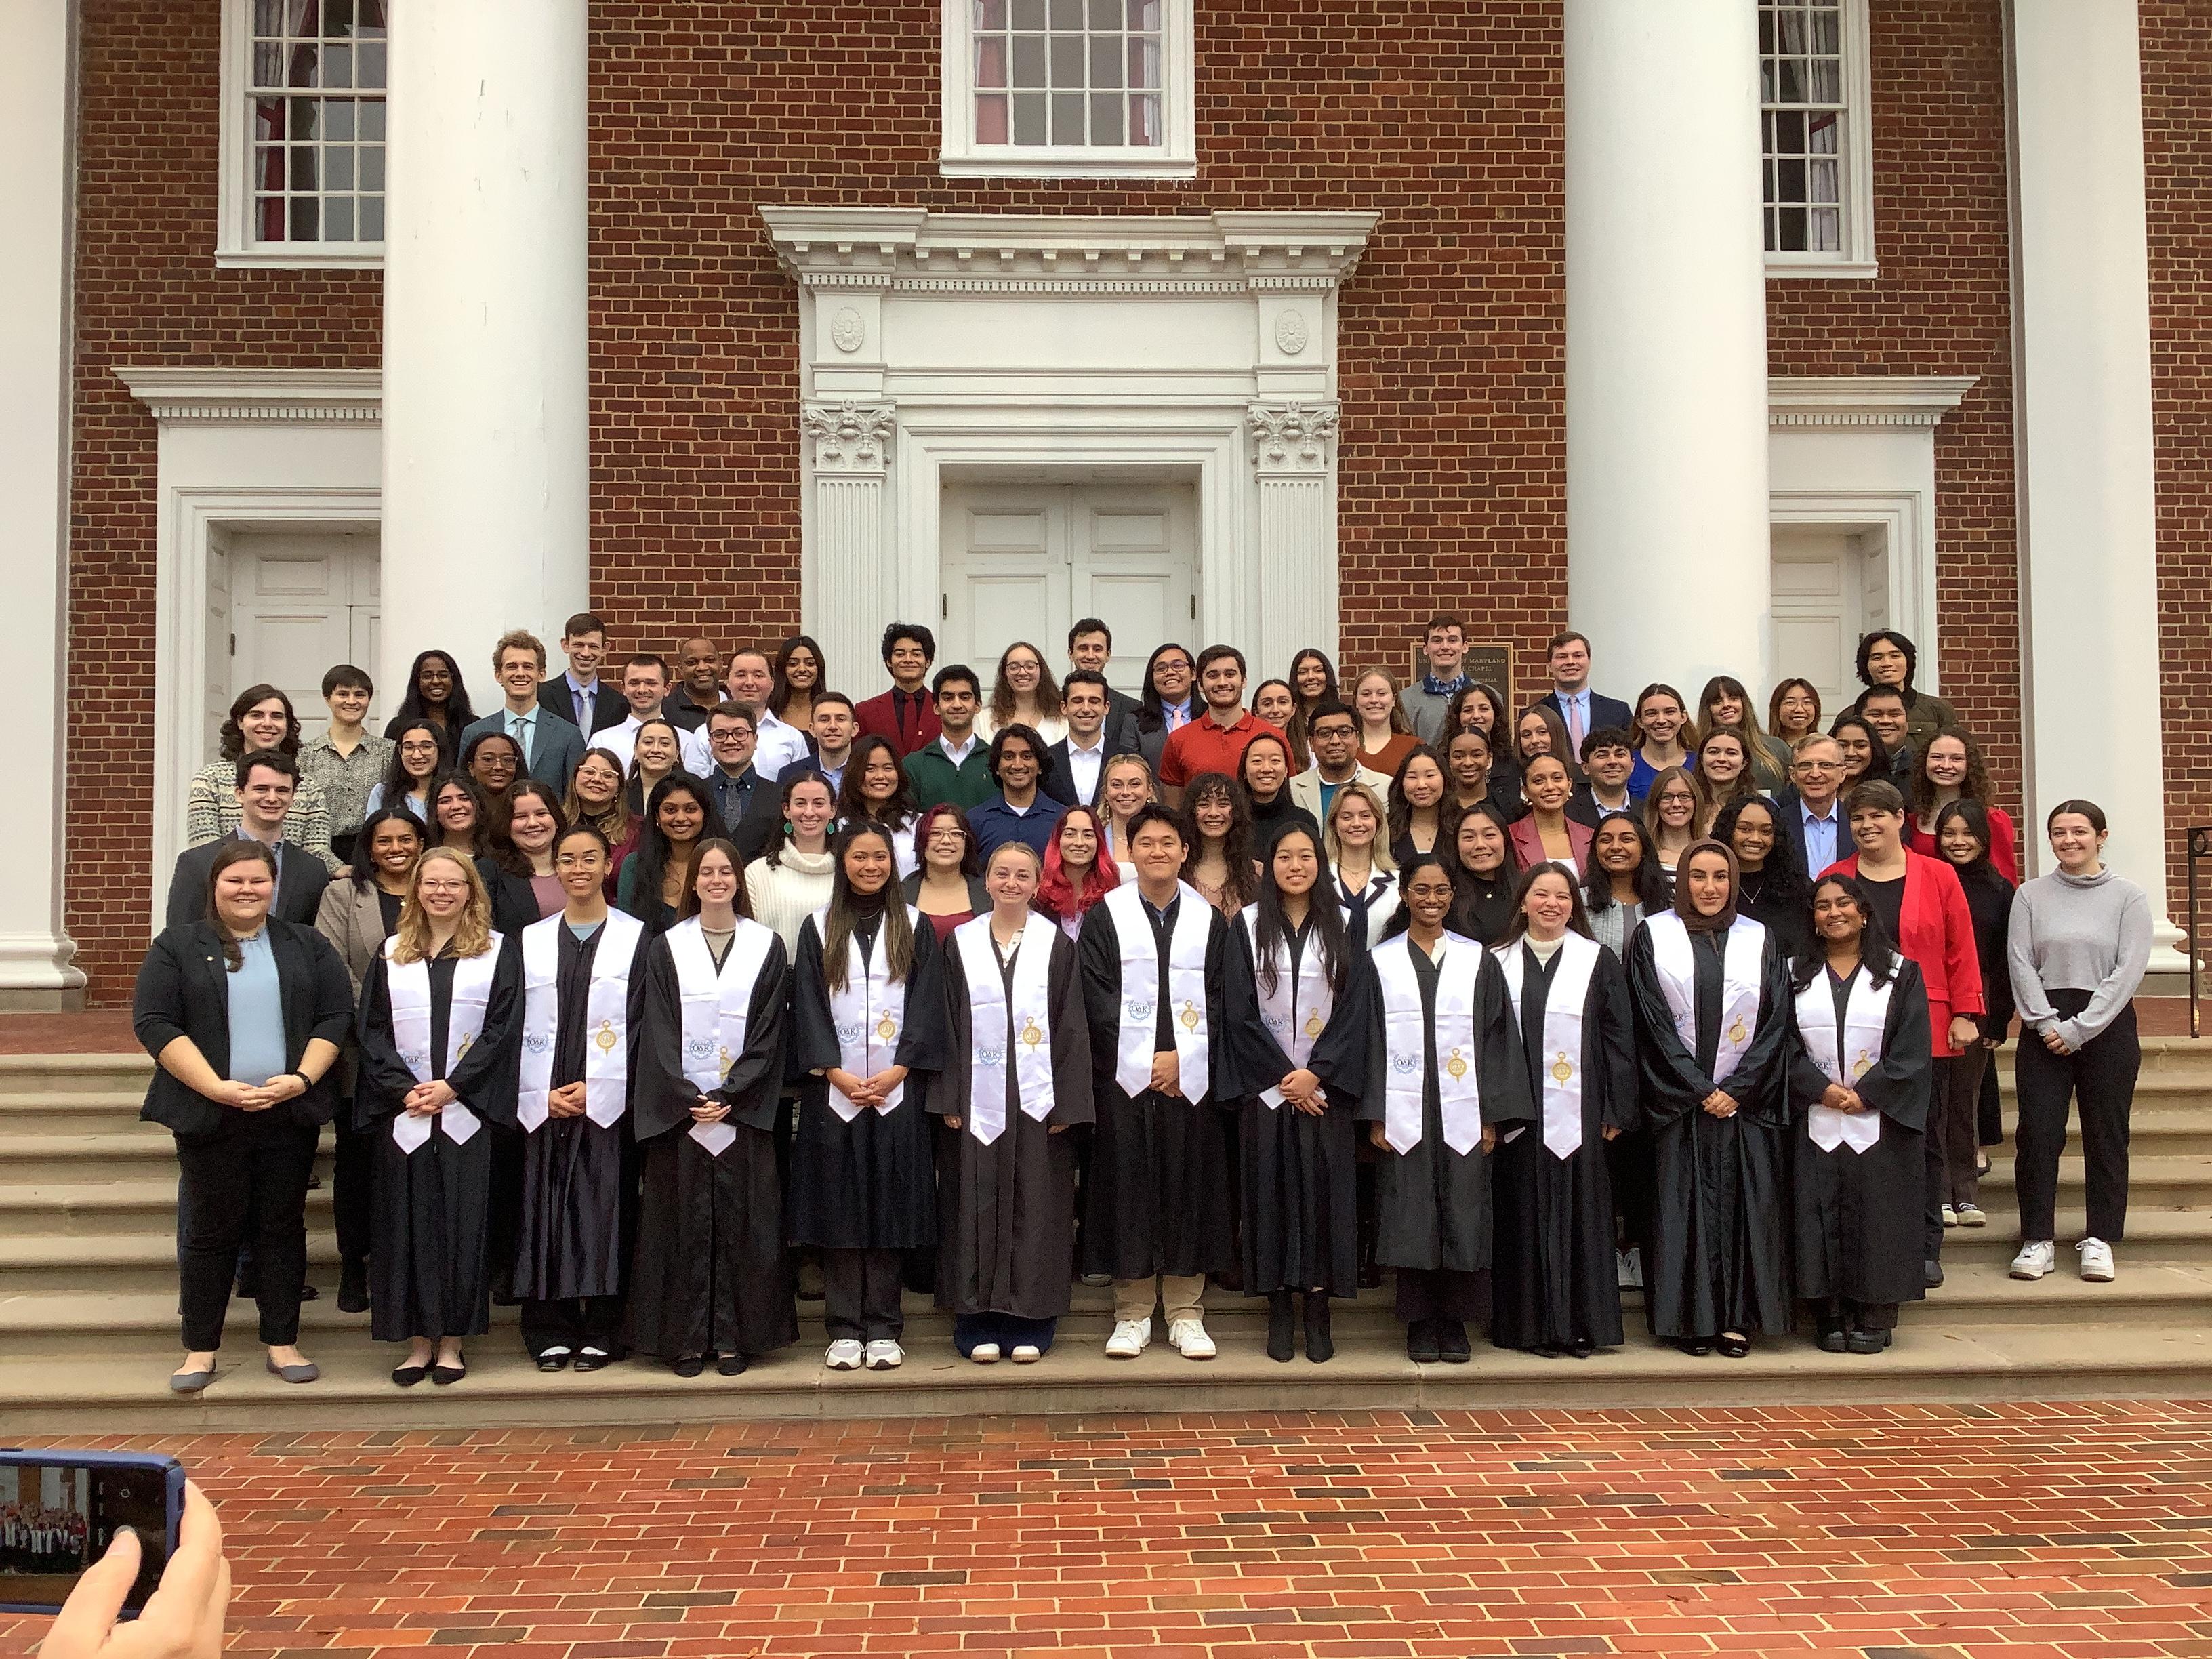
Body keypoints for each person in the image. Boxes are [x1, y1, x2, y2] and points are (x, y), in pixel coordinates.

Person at [134, 839, 352, 1392]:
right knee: (210, 1233)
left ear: (273, 885)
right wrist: (215, 1087)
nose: (247, 890)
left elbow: (334, 1016)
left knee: (281, 1228)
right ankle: (199, 1351)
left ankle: (282, 1344)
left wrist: (300, 1080)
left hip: (285, 1113)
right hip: (211, 1114)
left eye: (258, 880)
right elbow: (155, 1022)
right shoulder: (178, 945)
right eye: (235, 881)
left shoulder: (306, 944)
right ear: (215, 886)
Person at [627, 838, 797, 1377]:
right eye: (708, 871)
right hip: (684, 1116)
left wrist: (732, 1093)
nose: (718, 879)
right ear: (692, 882)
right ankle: (684, 1340)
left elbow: (771, 1030)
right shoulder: (665, 947)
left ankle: (732, 1339)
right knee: (680, 1226)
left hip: (741, 1116)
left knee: (745, 1226)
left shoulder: (766, 946)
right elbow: (655, 1028)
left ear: (738, 883)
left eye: (727, 871)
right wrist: (687, 1095)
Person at [352, 848, 523, 1386]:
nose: (442, 892)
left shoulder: (497, 952)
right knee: (404, 1227)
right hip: (404, 1116)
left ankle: (451, 1343)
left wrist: (454, 1086)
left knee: (462, 1228)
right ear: (416, 891)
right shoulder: (391, 953)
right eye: (432, 883)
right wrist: (405, 1090)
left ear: (471, 890)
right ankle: (416, 1342)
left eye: (454, 883)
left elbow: (502, 1027)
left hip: (466, 1113)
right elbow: (372, 1030)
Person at [1624, 840, 1795, 1357]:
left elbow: (1775, 1020)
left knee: (1746, 1210)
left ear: (1734, 881)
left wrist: (1737, 1089)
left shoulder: (1758, 936)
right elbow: (1649, 1020)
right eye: (1698, 876)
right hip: (1679, 1104)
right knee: (1681, 1211)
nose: (1710, 888)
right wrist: (1698, 1088)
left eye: (1721, 877)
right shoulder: (1654, 934)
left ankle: (1737, 1319)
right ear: (1682, 881)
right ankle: (1688, 1320)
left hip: (1745, 1105)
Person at [1361, 851, 1532, 1362]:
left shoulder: (1476, 959)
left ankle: (1455, 1320)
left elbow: (1500, 1038)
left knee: (1464, 1209)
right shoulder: (1382, 961)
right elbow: (1368, 1040)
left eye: (1440, 891)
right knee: (1410, 1209)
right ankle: (1419, 1321)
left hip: (1463, 1112)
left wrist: (1490, 1115)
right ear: (1405, 894)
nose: (1431, 900)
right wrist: (1376, 1112)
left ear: (1452, 896)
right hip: (1406, 1111)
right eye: (1421, 891)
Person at [788, 821, 947, 1370]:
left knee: (890, 1207)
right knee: (840, 1209)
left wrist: (900, 1070)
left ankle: (883, 1325)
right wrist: (835, 1073)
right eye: (860, 857)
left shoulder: (915, 926)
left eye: (880, 857)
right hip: (835, 1097)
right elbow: (806, 1004)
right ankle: (843, 1327)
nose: (871, 866)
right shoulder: (817, 927)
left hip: (896, 1095)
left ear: (892, 863)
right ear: (843, 861)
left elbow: (929, 1004)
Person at [1078, 806, 1234, 1361]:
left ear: (1184, 851)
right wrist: (1146, 1058)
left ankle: (1187, 1312)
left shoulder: (1208, 919)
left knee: (1189, 1183)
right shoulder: (1105, 916)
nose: (1158, 852)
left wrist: (1182, 1057)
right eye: (1147, 843)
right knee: (1130, 1185)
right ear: (1131, 849)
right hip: (1127, 1078)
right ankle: (1133, 1311)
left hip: (1190, 1080)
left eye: (1169, 842)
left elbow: (1222, 996)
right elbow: (1095, 995)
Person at [936, 841, 1094, 1363]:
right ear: (986, 881)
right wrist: (950, 1094)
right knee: (974, 1202)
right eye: (1001, 873)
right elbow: (947, 1025)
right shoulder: (961, 944)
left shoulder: (1056, 945)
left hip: (1036, 1101)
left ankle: (1032, 1318)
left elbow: (1072, 1026)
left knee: (1037, 1203)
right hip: (978, 1100)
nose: (1010, 883)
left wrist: (1068, 1105)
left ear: (1035, 882)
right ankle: (975, 1317)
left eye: (1021, 875)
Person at [1221, 823, 1371, 1362]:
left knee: (1323, 1197)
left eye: (1306, 856)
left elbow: (1356, 1010)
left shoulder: (1347, 923)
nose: (1296, 866)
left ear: (1320, 862)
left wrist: (1319, 1073)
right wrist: (1287, 1078)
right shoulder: (1248, 924)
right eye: (1284, 856)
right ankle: (1279, 1308)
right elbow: (1236, 1010)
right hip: (1268, 1092)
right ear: (1271, 865)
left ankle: (1319, 1306)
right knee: (1272, 1197)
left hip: (1324, 1093)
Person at [1824, 778, 1984, 1286]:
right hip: (1848, 1027)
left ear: (1901, 819)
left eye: (1879, 815)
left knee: (1923, 1138)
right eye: (1858, 819)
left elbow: (1961, 946)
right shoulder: (1835, 877)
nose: (1868, 826)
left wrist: (1967, 1012)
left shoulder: (1938, 876)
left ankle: (1924, 1243)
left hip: (1928, 1027)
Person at [512, 823, 648, 1372]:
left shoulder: (638, 938)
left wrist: (603, 1085)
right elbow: (510, 1022)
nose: (578, 869)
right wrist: (538, 1091)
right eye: (567, 859)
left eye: (589, 858)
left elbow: (644, 1021)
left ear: (607, 866)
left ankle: (603, 1326)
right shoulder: (530, 939)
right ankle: (550, 1325)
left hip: (607, 1100)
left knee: (605, 1209)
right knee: (544, 1209)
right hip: (544, 1097)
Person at [1490, 862, 1638, 1357]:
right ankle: (1527, 1326)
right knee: (1523, 1213)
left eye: (1563, 896)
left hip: (1583, 1109)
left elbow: (1619, 1037)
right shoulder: (1497, 962)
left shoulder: (1597, 961)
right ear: (1523, 902)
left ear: (1574, 906)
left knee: (1582, 1215)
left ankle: (1580, 1325)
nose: (1552, 904)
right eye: (1541, 894)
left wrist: (1616, 1106)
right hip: (1519, 1116)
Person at [2008, 800, 2152, 1286]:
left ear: (2101, 836)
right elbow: (2021, 963)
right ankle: (2037, 1239)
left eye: (2079, 831)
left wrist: (2079, 1029)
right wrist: (2046, 1022)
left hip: (2106, 1026)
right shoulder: (2030, 895)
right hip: (2042, 1025)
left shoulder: (2128, 896)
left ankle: (2100, 1238)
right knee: (2038, 1134)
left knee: (2106, 1134)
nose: (2069, 840)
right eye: (2058, 832)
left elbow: (2128, 968)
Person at [1788, 873, 1934, 1353]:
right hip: (1817, 1118)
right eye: (1823, 906)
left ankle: (1875, 1312)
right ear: (1812, 918)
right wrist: (1820, 1089)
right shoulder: (1793, 976)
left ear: (1864, 912)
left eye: (1844, 903)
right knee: (1819, 1213)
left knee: (1879, 1214)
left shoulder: (1900, 973)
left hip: (1880, 1123)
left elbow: (1912, 1046)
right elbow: (1779, 1044)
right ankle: (1828, 1313)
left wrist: (1867, 1092)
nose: (1834, 913)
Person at [314, 804, 426, 1312]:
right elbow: (333, 966)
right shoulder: (343, 894)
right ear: (369, 847)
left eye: (406, 839)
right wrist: (382, 1021)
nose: (396, 849)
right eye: (385, 841)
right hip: (362, 1057)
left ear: (421, 843)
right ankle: (352, 1266)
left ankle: (405, 1263)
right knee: (358, 1168)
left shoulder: (440, 888)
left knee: (415, 1168)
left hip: (432, 1061)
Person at [1932, 798, 2015, 1225]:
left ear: (1984, 839)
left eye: (1968, 834)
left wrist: (1998, 1018)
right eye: (1949, 833)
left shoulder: (2001, 890)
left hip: (1978, 1000)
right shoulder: (1926, 878)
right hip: (1931, 996)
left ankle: (1964, 1191)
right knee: (1935, 1100)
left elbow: (2007, 959)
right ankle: (1938, 1192)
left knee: (1964, 1099)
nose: (1958, 842)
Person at [166, 752, 332, 926]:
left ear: (292, 798)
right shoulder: (197, 863)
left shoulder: (313, 870)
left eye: (282, 790)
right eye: (261, 789)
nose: (272, 798)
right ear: (239, 794)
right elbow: (179, 938)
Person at [186, 684, 338, 873]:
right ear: (241, 722)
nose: (267, 723)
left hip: (288, 889)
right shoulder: (210, 780)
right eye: (256, 715)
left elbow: (317, 853)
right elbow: (205, 848)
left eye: (277, 716)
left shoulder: (307, 786)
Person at [460, 630, 587, 792]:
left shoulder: (568, 735)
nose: (520, 673)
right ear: (499, 675)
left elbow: (575, 796)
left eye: (528, 667)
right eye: (512, 667)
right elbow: (464, 791)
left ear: (541, 674)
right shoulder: (473, 733)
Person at [1158, 644, 1279, 803]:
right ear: (1200, 684)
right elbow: (1174, 810)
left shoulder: (1273, 737)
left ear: (1243, 681)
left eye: (1230, 674)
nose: (1222, 682)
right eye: (1213, 676)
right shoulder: (1178, 740)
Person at [300, 663, 392, 865]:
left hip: (376, 852)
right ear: (327, 698)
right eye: (343, 694)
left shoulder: (388, 751)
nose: (352, 701)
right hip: (319, 850)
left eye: (360, 695)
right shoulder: (306, 755)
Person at [1905, 729, 2018, 882]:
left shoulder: (1993, 820)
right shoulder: (1910, 822)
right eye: (1937, 757)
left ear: (1970, 765)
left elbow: (2005, 880)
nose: (1945, 765)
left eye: (1956, 759)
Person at [743, 774, 838, 953]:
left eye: (819, 803)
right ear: (786, 810)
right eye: (801, 803)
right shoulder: (757, 874)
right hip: (774, 980)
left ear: (833, 810)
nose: (809, 812)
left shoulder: (849, 872)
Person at [615, 774, 714, 938]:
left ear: (705, 814)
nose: (681, 818)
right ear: (656, 817)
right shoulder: (634, 865)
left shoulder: (720, 867)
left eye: (691, 810)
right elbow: (626, 933)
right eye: (670, 810)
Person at [1715, 795, 1811, 961]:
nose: (1755, 839)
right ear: (1729, 831)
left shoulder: (1797, 888)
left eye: (1766, 831)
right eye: (1745, 829)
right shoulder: (1712, 887)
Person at [597, 656, 712, 777]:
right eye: (634, 683)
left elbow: (696, 787)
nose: (642, 690)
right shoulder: (602, 740)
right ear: (623, 688)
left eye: (651, 683)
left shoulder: (687, 740)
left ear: (667, 689)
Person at [903, 665, 996, 811]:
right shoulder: (913, 765)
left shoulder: (997, 761)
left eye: (965, 697)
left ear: (978, 706)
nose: (957, 704)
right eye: (948, 698)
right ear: (936, 707)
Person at [968, 724, 1067, 859]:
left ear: (1040, 766)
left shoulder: (1063, 819)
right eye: (1009, 757)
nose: (1018, 765)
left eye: (1027, 756)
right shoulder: (975, 821)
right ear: (997, 767)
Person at [701, 701, 783, 860]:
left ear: (755, 739)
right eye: (720, 734)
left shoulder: (780, 795)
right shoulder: (696, 793)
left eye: (740, 733)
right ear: (710, 742)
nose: (730, 741)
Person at [1854, 629, 1957, 754]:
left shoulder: (1938, 710)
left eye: (1895, 656)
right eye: (1877, 657)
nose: (1886, 663)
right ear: (1866, 666)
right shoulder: (1851, 714)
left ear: (1908, 662)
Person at [1534, 630, 1634, 758]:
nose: (1570, 662)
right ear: (1550, 666)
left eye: (1578, 655)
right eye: (1562, 657)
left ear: (1589, 661)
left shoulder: (1619, 712)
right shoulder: (1535, 714)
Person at [1290, 699, 1389, 825]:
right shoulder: (1291, 790)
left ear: (1358, 739)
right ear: (1311, 743)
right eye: (1325, 733)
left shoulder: (1386, 787)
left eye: (1344, 732)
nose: (1335, 741)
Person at [1582, 814, 1667, 960]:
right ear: (1595, 851)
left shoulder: (1665, 904)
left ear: (1644, 849)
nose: (1615, 847)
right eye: (1606, 840)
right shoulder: (1578, 902)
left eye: (1627, 839)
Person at [486, 779, 568, 933]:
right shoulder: (489, 871)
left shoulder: (577, 865)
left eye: (541, 814)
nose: (532, 823)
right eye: (521, 816)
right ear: (507, 825)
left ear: (556, 819)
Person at [1325, 781, 1399, 949]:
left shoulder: (1399, 883)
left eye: (1365, 816)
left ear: (1378, 823)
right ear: (1333, 824)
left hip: (1380, 974)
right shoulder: (1319, 879)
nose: (1357, 823)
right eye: (1347, 817)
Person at [836, 733, 923, 876]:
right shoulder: (840, 826)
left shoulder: (918, 825)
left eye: (888, 768)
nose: (880, 776)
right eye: (870, 769)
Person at [1044, 670, 1130, 808]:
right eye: (1077, 701)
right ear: (1064, 707)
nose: (1086, 708)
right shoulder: (1045, 761)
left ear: (1106, 708)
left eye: (1094, 701)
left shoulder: (1129, 758)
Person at [907, 802, 990, 941]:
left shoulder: (988, 893)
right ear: (922, 841)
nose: (946, 840)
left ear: (966, 842)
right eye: (935, 833)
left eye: (956, 833)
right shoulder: (901, 892)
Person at [1694, 676, 1792, 794]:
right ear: (1708, 709)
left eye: (1734, 699)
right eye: (1717, 702)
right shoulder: (1696, 750)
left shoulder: (1776, 747)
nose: (1726, 705)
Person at [726, 644, 812, 778]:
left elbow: (802, 788)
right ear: (728, 683)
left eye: (758, 675)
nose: (749, 682)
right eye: (741, 675)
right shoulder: (705, 735)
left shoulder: (793, 738)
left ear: (772, 684)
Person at [1181, 771, 1259, 916]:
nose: (1214, 813)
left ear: (1236, 811)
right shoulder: (1176, 873)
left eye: (1223, 804)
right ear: (1191, 812)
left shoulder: (1257, 873)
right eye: (1203, 804)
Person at [541, 612, 628, 737]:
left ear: (604, 649)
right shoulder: (542, 696)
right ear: (565, 645)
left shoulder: (619, 704)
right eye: (579, 645)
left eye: (593, 646)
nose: (586, 653)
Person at [1037, 805, 1118, 940]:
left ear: (1099, 841)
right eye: (1070, 834)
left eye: (1088, 835)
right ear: (1058, 840)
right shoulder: (1039, 897)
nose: (1079, 843)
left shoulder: (1113, 896)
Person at [1067, 617, 1146, 754]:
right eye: (1083, 648)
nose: (1090, 656)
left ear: (1108, 654)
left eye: (1097, 649)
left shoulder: (1132, 708)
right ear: (1070, 654)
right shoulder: (1052, 705)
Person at [1446, 800, 1519, 943]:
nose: (1480, 845)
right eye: (1468, 837)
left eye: (1489, 835)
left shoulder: (1527, 891)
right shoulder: (1445, 895)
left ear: (1505, 840)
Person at [1777, 733, 1849, 878]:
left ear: (1842, 774)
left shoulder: (1856, 820)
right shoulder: (1777, 823)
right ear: (1792, 775)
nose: (1815, 774)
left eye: (1825, 765)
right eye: (1805, 766)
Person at [1506, 754, 1593, 874]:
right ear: (1526, 791)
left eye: (1557, 778)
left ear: (1569, 784)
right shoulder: (1510, 837)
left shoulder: (1590, 837)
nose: (1550, 787)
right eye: (1539, 781)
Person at [1397, 615, 1472, 745]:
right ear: (1425, 649)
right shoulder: (1405, 700)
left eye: (1452, 640)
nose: (1445, 646)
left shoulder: (1487, 696)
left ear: (1465, 647)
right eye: (1437, 640)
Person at [975, 639, 1066, 745]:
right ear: (1005, 674)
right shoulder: (983, 720)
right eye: (1014, 667)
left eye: (1030, 666)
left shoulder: (1062, 719)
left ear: (1041, 671)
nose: (1022, 672)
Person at [1240, 730, 1318, 846]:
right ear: (1244, 771)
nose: (1266, 769)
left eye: (1275, 761)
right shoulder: (1232, 820)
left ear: (1286, 770)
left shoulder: (1304, 821)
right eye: (1257, 761)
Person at [381, 648, 478, 742]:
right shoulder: (398, 727)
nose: (436, 681)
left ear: (453, 680)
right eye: (427, 676)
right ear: (417, 681)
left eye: (443, 675)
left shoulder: (473, 726)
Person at [560, 747, 634, 868]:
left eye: (608, 775)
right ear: (574, 778)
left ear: (619, 787)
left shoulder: (637, 831)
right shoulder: (555, 824)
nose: (597, 779)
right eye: (589, 772)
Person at [365, 717, 448, 821]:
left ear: (440, 750)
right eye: (409, 747)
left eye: (426, 747)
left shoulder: (453, 791)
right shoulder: (382, 792)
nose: (417, 756)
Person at [1626, 684, 1696, 801]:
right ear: (1640, 721)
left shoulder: (1700, 763)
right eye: (1651, 713)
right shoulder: (1627, 764)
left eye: (1670, 712)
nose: (1661, 720)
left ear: (1683, 717)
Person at [1135, 642, 1198, 771]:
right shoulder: (1134, 722)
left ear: (1193, 674)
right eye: (1161, 668)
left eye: (1178, 666)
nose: (1170, 672)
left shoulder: (1210, 715)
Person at [1351, 666, 1421, 780]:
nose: (1374, 700)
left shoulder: (1413, 746)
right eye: (1366, 694)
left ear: (1394, 699)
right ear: (1356, 701)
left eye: (1382, 693)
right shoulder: (1346, 746)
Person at [1642, 766, 1708, 885]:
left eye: (1685, 796)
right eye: (1667, 797)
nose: (1676, 804)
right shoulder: (1643, 854)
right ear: (1656, 803)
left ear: (1696, 801)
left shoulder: (1711, 851)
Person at [1386, 743, 1449, 865]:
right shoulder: (1385, 830)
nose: (1421, 785)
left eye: (1430, 775)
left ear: (1445, 778)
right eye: (1412, 777)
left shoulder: (1461, 827)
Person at [1097, 752, 1157, 878]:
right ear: (1106, 793)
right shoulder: (1093, 837)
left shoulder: (1167, 836)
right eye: (1117, 785)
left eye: (1135, 784)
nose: (1125, 792)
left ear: (1149, 790)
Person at [619, 715, 689, 817]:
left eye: (665, 743)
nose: (655, 750)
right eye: (648, 742)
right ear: (636, 750)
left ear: (677, 753)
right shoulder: (620, 793)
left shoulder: (693, 793)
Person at [1566, 727, 1636, 827]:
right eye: (1602, 756)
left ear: (1633, 764)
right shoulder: (1568, 813)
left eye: (1620, 755)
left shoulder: (1648, 811)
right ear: (1585, 768)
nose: (1612, 762)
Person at [1857, 686, 1919, 787]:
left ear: (1907, 723)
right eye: (1876, 714)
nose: (1886, 721)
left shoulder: (1922, 768)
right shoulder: (1845, 767)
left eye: (1894, 714)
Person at [769, 634, 826, 742]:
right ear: (783, 669)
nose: (802, 669)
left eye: (810, 663)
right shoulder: (768, 713)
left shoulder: (830, 712)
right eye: (793, 664)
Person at [664, 636, 726, 732]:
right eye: (692, 662)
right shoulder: (665, 709)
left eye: (709, 660)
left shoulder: (736, 703)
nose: (702, 667)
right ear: (681, 668)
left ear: (721, 664)